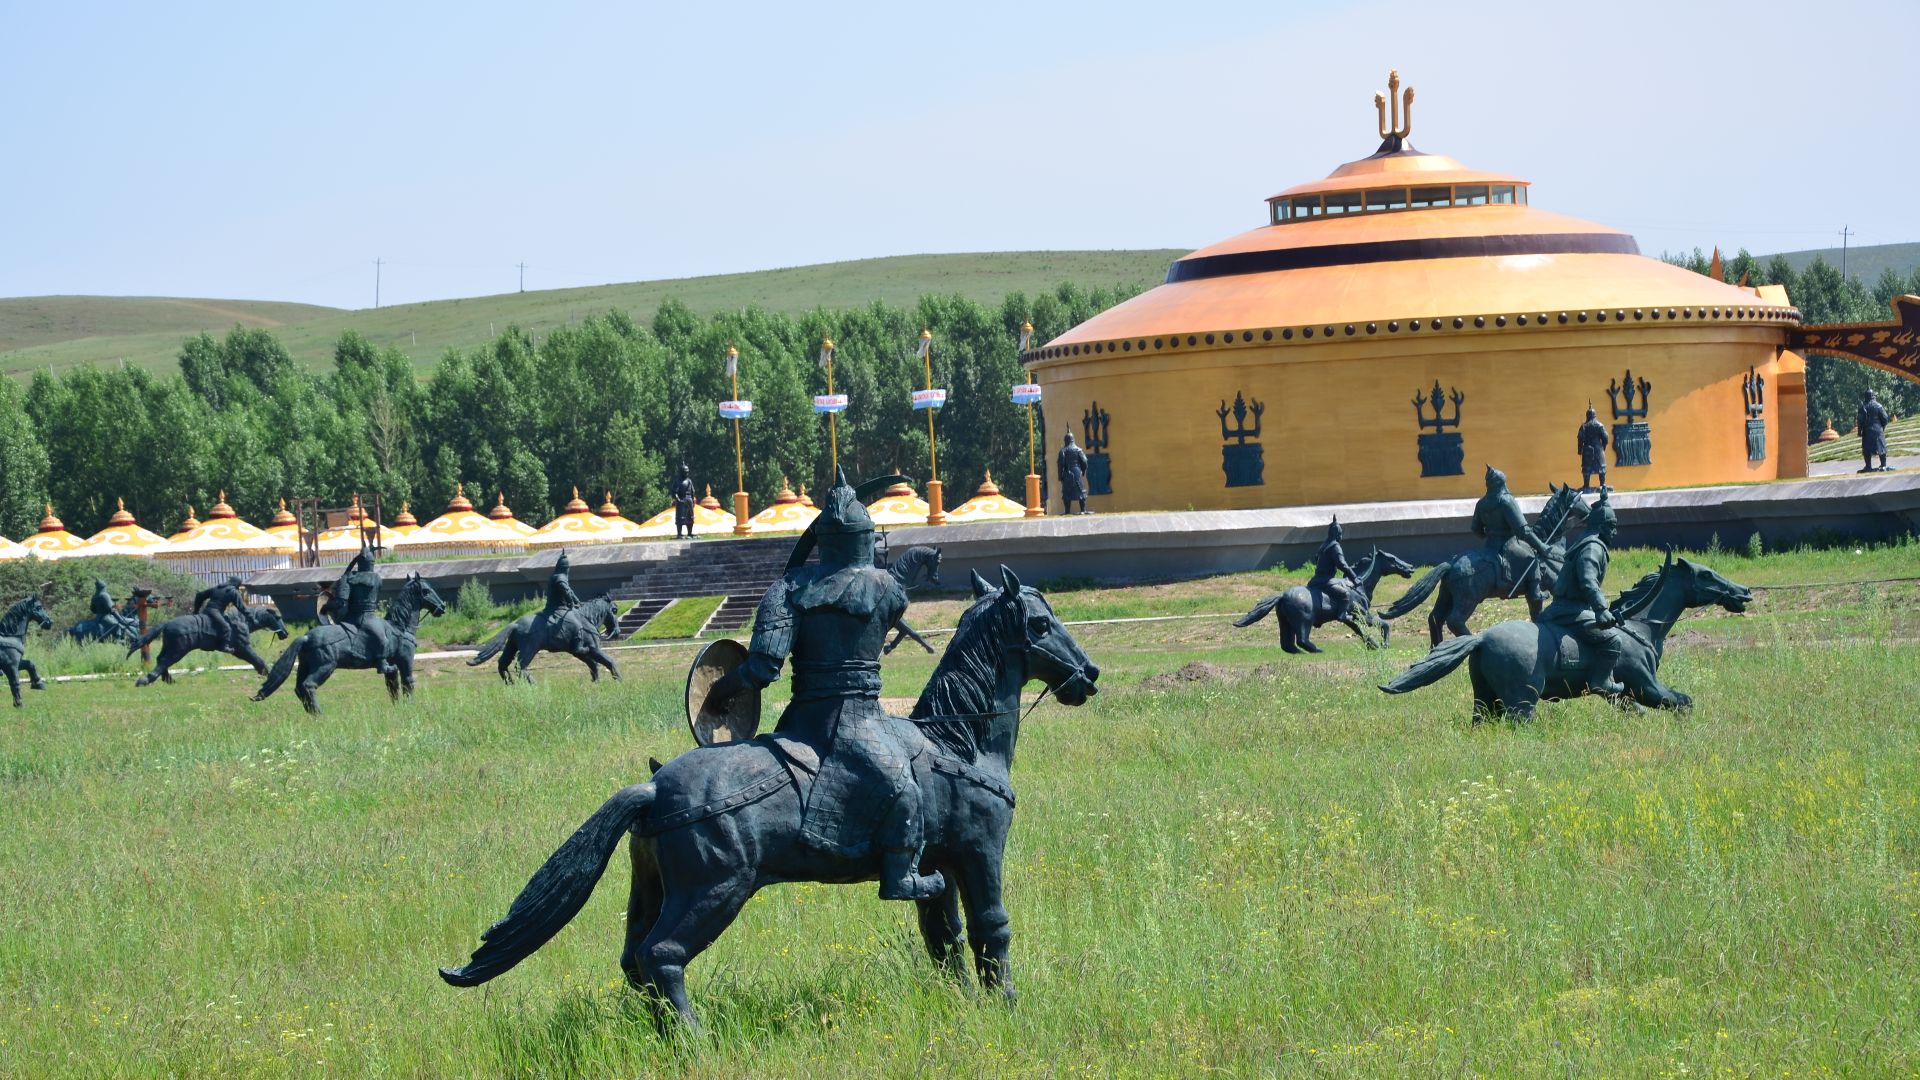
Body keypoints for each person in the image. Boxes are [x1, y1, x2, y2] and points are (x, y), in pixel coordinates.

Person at [708, 469, 943, 902]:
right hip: (860, 723)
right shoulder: (888, 589)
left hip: (801, 721)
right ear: (866, 538)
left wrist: (720, 691)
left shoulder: (788, 589)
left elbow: (761, 670)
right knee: (904, 788)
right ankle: (900, 877)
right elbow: (894, 588)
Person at [1538, 492, 1625, 696]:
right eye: (1612, 527)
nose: (1614, 532)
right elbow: (1588, 581)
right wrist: (1601, 609)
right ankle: (1602, 681)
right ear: (1602, 526)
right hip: (1572, 611)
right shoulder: (1593, 547)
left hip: (1560, 607)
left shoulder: (1584, 540)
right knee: (1614, 640)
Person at [1472, 465, 1549, 592]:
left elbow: (1475, 529)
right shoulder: (1506, 501)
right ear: (1500, 483)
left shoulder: (1481, 503)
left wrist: (1487, 535)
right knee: (1532, 559)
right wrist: (1541, 546)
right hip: (1509, 545)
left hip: (1489, 546)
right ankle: (1536, 593)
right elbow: (1523, 531)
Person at [335, 548, 393, 675]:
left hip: (357, 616)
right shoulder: (375, 578)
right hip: (365, 618)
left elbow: (342, 601)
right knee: (383, 639)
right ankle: (382, 663)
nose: (371, 565)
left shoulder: (351, 577)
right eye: (370, 563)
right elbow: (342, 600)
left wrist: (344, 579)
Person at [1306, 516, 1359, 620]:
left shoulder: (1324, 545)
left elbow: (1316, 559)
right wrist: (1354, 578)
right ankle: (1342, 615)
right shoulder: (1335, 546)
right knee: (1345, 593)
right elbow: (1342, 565)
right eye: (1340, 534)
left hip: (1315, 579)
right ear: (1336, 534)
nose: (1341, 536)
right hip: (1326, 581)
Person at [193, 575, 246, 652]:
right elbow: (242, 607)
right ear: (237, 584)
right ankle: (224, 646)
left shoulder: (217, 588)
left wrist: (196, 610)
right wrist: (251, 616)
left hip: (210, 610)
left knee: (227, 620)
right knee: (226, 627)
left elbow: (199, 595)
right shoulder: (232, 591)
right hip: (215, 611)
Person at [1577, 402, 1610, 492]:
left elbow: (1580, 439)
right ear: (1595, 415)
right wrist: (1603, 446)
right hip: (1599, 450)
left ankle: (1586, 486)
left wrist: (1580, 450)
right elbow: (1606, 437)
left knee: (1587, 469)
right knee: (1601, 469)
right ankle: (1602, 485)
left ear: (1587, 415)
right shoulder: (1600, 425)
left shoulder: (1584, 426)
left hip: (1587, 450)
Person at [1858, 389, 1891, 473]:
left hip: (1867, 430)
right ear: (1873, 396)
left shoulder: (1863, 407)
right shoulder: (1878, 406)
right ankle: (1883, 465)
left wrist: (1859, 431)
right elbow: (1885, 418)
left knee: (1866, 449)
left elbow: (1860, 420)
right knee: (1881, 448)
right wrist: (1882, 426)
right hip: (1877, 429)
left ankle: (1868, 466)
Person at [1057, 431, 1089, 515]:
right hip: (1077, 471)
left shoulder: (1063, 451)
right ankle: (1083, 509)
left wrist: (1060, 476)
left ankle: (1067, 510)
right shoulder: (1079, 450)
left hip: (1067, 473)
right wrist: (1083, 470)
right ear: (1073, 440)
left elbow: (1060, 465)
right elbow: (1085, 461)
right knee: (1080, 491)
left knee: (1067, 492)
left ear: (1066, 441)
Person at [672, 462, 696, 539]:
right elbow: (674, 491)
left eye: (687, 472)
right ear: (681, 472)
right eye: (685, 472)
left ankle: (690, 533)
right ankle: (679, 533)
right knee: (680, 517)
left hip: (689, 500)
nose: (687, 473)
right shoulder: (677, 481)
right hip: (681, 500)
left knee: (690, 517)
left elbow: (692, 491)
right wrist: (678, 499)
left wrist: (693, 499)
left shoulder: (689, 480)